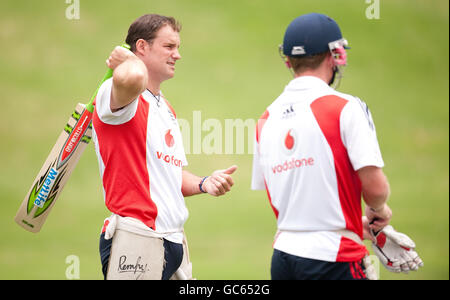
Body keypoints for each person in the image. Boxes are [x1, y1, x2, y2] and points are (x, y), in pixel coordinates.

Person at [251, 13, 422, 280]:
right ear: (336, 55)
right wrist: (379, 211)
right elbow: (375, 189)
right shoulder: (347, 107)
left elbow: (293, 195)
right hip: (334, 257)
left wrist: (356, 225)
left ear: (288, 60)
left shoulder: (265, 119)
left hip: (283, 257)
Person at [92, 13, 237, 280]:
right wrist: (127, 61)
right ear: (142, 47)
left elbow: (170, 175)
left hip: (174, 240)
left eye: (177, 47)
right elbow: (131, 78)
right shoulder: (119, 93)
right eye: (169, 47)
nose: (177, 55)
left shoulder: (164, 107)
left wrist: (205, 183)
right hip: (137, 238)